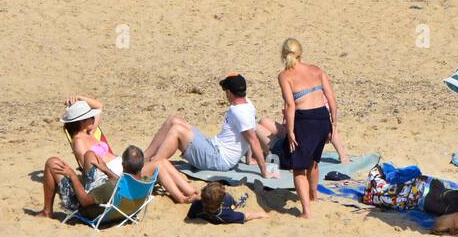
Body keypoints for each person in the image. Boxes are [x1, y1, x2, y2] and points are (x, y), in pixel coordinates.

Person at [39, 97, 196, 217]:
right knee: (158, 163)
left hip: (117, 165)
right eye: (89, 117)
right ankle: (183, 196)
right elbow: (89, 170)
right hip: (111, 172)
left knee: (160, 162)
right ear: (81, 122)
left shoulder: (90, 132)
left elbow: (99, 106)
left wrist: (78, 98)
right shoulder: (79, 142)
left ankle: (190, 191)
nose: (93, 120)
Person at [265, 37, 342, 220]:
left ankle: (306, 211)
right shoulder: (316, 70)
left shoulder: (284, 76)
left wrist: (290, 131)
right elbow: (331, 98)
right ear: (301, 53)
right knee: (314, 161)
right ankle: (313, 195)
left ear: (283, 55)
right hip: (322, 118)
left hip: (304, 121)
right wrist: (333, 123)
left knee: (299, 168)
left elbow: (290, 106)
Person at [143, 74, 269, 178]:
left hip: (219, 159)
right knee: (173, 120)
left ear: (229, 92)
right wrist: (249, 159)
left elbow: (253, 140)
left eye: (225, 91)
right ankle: (145, 157)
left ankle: (151, 168)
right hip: (214, 146)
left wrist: (264, 171)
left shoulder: (239, 112)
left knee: (177, 131)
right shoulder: (248, 103)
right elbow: (250, 132)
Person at [48, 145, 153, 222]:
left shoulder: (110, 187)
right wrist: (106, 170)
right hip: (123, 212)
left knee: (52, 162)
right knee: (90, 155)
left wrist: (73, 175)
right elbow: (123, 183)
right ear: (142, 164)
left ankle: (46, 212)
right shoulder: (145, 182)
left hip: (89, 210)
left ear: (123, 165)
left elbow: (84, 201)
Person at [187, 181, 265, 224]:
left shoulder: (196, 205)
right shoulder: (227, 215)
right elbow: (247, 216)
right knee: (234, 202)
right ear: (221, 203)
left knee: (220, 196)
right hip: (229, 206)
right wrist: (261, 214)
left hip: (210, 206)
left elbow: (190, 217)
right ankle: (238, 200)